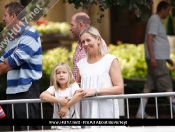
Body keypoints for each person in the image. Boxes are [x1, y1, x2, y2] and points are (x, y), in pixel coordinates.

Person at [0, 2, 42, 130]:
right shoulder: (11, 39)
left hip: (26, 91)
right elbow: (2, 66)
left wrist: (8, 61)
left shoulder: (31, 34)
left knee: (27, 130)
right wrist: (9, 59)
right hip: (12, 91)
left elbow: (8, 64)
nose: (3, 19)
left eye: (5, 15)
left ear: (13, 16)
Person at [76, 26, 124, 125]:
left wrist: (96, 91)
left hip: (106, 112)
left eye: (88, 40)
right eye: (83, 42)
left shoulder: (110, 60)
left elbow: (119, 88)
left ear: (98, 39)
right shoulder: (81, 64)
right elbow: (76, 88)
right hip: (88, 112)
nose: (85, 44)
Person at [136, 1, 175, 118]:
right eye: (168, 10)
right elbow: (149, 38)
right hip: (156, 60)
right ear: (162, 9)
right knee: (167, 85)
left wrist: (167, 59)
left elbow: (157, 42)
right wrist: (153, 58)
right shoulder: (154, 19)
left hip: (157, 58)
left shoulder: (157, 20)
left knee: (148, 85)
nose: (168, 13)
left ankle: (140, 113)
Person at [40, 62, 84, 130]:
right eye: (58, 73)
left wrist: (66, 107)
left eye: (64, 72)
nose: (61, 75)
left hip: (74, 127)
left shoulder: (73, 86)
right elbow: (42, 95)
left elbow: (80, 94)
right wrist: (59, 100)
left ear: (69, 74)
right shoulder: (54, 88)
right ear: (55, 76)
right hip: (57, 127)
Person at [70, 12, 108, 79]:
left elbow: (100, 70)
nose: (70, 29)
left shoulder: (97, 43)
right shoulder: (79, 44)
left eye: (72, 25)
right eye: (84, 42)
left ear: (81, 25)